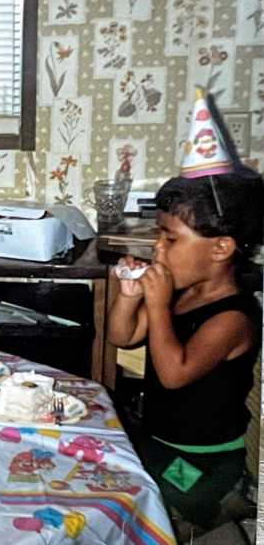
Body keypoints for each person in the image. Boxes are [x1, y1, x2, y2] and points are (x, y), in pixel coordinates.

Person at [107, 169, 264, 529]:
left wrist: (158, 305)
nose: (158, 248)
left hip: (205, 460)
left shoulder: (233, 318)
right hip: (159, 439)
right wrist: (130, 299)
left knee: (142, 512)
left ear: (220, 248)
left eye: (171, 239)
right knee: (109, 471)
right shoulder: (181, 291)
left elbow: (174, 374)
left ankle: (229, 502)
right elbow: (123, 336)